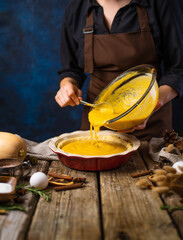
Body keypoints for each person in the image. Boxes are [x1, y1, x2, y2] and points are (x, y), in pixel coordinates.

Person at [55, 0, 183, 140]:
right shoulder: (76, 9)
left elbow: (178, 69)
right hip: (98, 126)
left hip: (151, 125)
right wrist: (67, 85)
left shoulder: (162, 4)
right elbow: (71, 69)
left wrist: (149, 106)